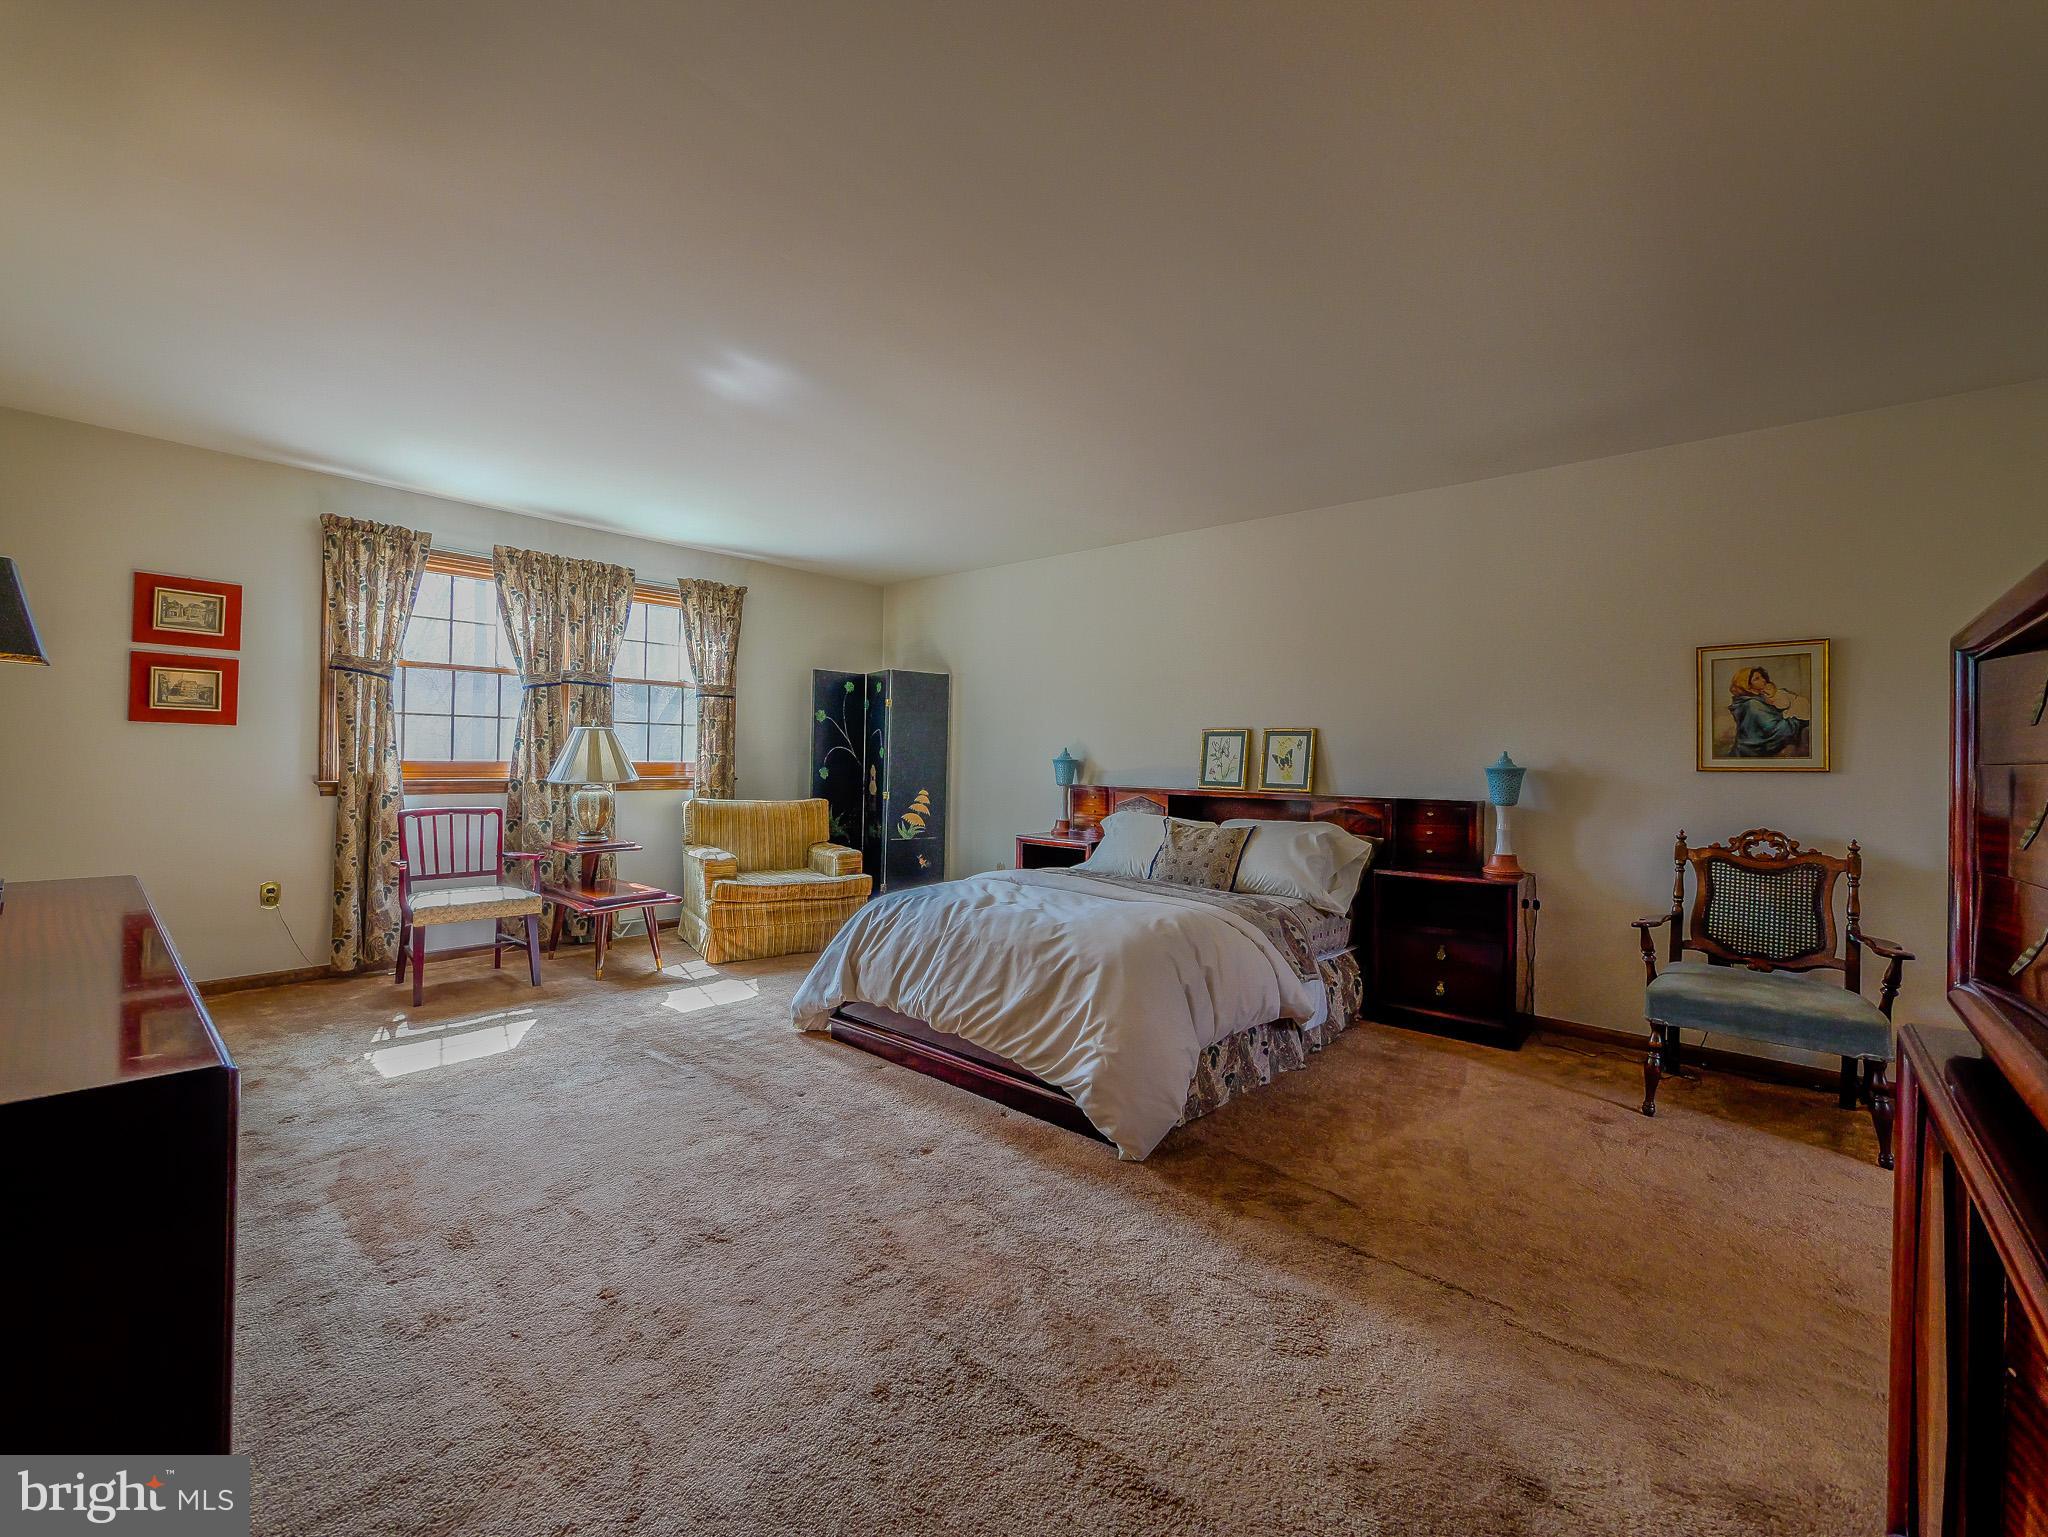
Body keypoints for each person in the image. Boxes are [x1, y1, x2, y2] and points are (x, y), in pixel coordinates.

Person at [1726, 665, 1810, 757]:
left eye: (1762, 677)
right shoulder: (1753, 704)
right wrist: (1798, 722)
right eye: (1756, 679)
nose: (1763, 680)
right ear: (1747, 685)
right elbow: (1775, 729)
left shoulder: (1760, 699)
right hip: (1752, 752)